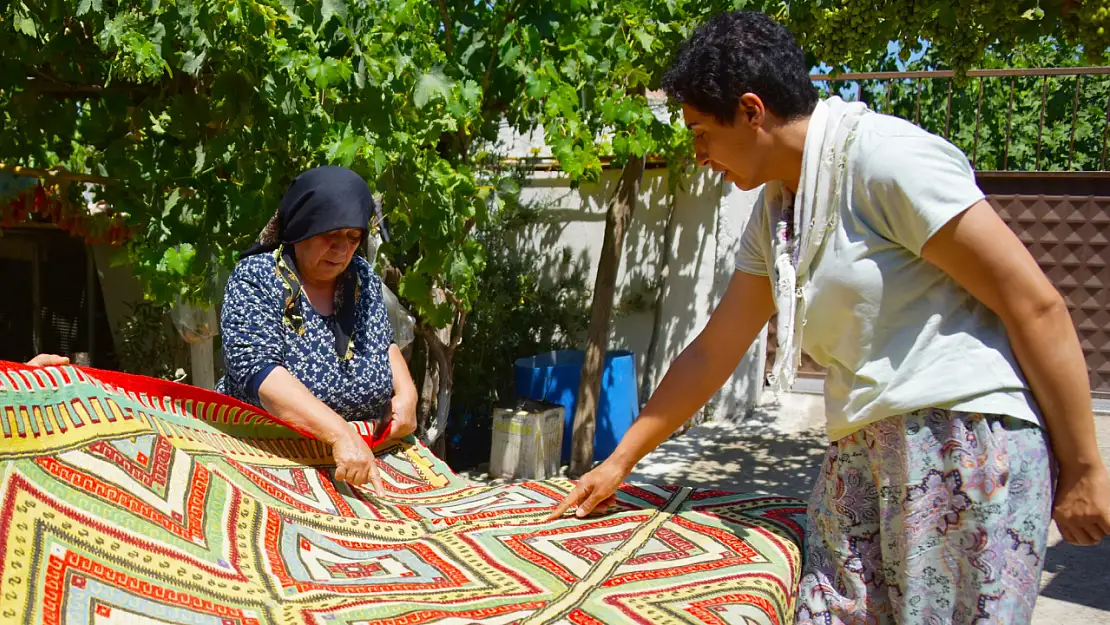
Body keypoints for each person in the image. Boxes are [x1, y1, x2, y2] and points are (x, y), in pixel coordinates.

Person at [548, 11, 1110, 624]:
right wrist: (619, 462)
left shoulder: (886, 160)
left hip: (962, 445)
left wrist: (1083, 468)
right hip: (862, 449)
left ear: (752, 110)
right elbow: (716, 349)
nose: (698, 154)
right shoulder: (778, 210)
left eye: (701, 131)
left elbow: (1034, 303)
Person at [217, 166, 417, 496]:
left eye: (353, 238)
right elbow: (259, 373)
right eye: (330, 236)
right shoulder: (256, 279)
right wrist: (338, 434)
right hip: (267, 459)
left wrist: (407, 394)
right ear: (301, 228)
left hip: (364, 451)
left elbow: (384, 343)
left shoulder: (360, 277)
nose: (341, 251)